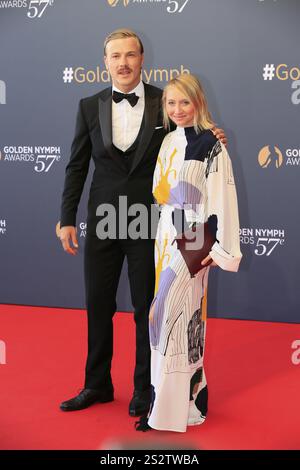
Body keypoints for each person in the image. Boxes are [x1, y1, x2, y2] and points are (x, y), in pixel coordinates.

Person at [58, 29, 227, 417]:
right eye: (115, 56)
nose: (123, 63)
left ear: (142, 58)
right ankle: (96, 384)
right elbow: (76, 165)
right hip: (103, 218)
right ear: (105, 61)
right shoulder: (89, 105)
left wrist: (210, 136)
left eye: (130, 55)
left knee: (144, 309)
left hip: (148, 221)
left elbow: (188, 136)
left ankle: (143, 388)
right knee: (97, 305)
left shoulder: (160, 103)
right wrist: (66, 217)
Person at [136, 74, 242, 432]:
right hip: (166, 234)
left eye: (185, 102)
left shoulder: (213, 143)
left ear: (198, 102)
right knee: (182, 320)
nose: (178, 110)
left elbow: (223, 198)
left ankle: (164, 412)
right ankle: (188, 403)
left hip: (197, 238)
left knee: (165, 314)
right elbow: (159, 191)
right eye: (171, 103)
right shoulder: (167, 140)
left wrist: (220, 248)